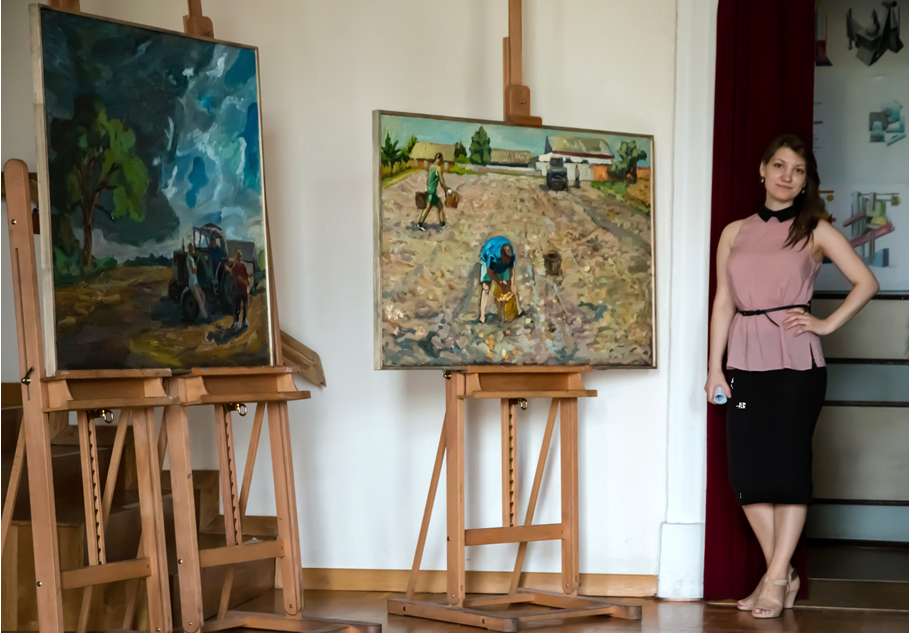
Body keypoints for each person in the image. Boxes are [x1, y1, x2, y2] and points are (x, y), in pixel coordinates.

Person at [704, 134, 879, 619]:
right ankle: (782, 573)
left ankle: (776, 578)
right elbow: (724, 302)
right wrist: (714, 367)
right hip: (744, 360)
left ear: (805, 183)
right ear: (762, 170)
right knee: (747, 476)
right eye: (779, 165)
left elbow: (866, 282)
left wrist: (825, 324)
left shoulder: (815, 229)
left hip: (796, 364)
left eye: (798, 170)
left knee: (788, 472)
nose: (787, 176)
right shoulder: (733, 232)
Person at [478, 236, 523, 324]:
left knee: (510, 288)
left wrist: (511, 284)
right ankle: (482, 316)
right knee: (486, 287)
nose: (508, 262)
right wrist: (500, 283)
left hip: (501, 260)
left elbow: (512, 269)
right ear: (502, 256)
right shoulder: (492, 255)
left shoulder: (511, 254)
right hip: (487, 260)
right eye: (506, 260)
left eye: (509, 261)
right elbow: (490, 272)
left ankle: (518, 310)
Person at [418, 153, 449, 231]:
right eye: (442, 159)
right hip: (432, 192)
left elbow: (428, 178)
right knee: (428, 207)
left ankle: (443, 224)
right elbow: (442, 181)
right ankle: (420, 224)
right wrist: (446, 189)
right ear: (440, 159)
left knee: (440, 206)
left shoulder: (431, 167)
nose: (442, 161)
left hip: (430, 191)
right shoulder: (438, 168)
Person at [186, 243, 209, 321]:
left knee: (203, 295)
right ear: (189, 249)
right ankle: (205, 316)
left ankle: (202, 312)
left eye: (192, 249)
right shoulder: (189, 258)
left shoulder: (190, 258)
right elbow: (193, 271)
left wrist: (195, 266)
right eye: (191, 249)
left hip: (195, 281)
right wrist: (196, 267)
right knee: (199, 300)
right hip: (192, 282)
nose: (192, 250)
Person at [227, 250, 250, 331]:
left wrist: (246, 284)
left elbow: (247, 277)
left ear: (241, 257)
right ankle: (236, 322)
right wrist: (227, 269)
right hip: (238, 290)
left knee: (245, 306)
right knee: (237, 307)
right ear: (236, 258)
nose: (239, 258)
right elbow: (231, 273)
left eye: (240, 257)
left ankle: (244, 320)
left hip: (244, 290)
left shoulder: (243, 267)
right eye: (238, 257)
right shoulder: (235, 267)